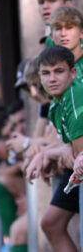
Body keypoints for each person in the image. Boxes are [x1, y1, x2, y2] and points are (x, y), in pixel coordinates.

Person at [37, 45, 82, 252]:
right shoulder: (55, 105)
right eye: (46, 73)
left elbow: (79, 155)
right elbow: (69, 149)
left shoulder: (75, 96)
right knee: (50, 222)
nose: (52, 78)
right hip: (76, 173)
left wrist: (49, 153)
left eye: (59, 71)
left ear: (73, 72)